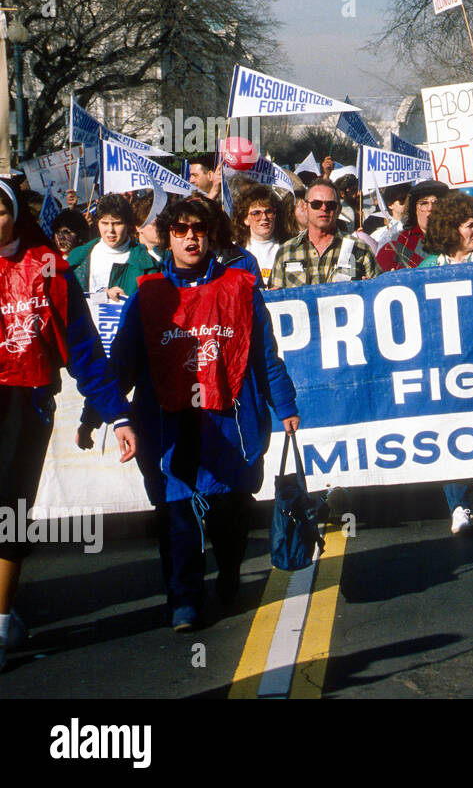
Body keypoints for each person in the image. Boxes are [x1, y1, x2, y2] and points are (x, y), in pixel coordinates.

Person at [100, 195, 299, 630]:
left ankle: (228, 569)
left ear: (212, 235)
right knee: (176, 510)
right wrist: (104, 412)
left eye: (200, 229)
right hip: (169, 421)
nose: (191, 237)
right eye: (181, 229)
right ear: (168, 235)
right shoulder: (149, 291)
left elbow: (265, 355)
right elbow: (124, 360)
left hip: (229, 419)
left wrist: (283, 403)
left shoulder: (241, 287)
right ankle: (184, 597)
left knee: (230, 509)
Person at [1, 178, 137, 670]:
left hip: (24, 402)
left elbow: (83, 350)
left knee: (8, 509)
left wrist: (116, 413)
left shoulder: (50, 270)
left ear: (14, 214)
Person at [418, 192, 473, 533]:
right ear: (451, 229)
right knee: (453, 430)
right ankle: (458, 504)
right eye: (469, 226)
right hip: (445, 365)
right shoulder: (427, 269)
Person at [269, 179, 379, 288]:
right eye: (316, 204)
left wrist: (371, 288)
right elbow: (275, 299)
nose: (324, 208)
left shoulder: (359, 248)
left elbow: (379, 292)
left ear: (338, 209)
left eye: (331, 205)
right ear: (305, 207)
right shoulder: (286, 251)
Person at [66, 193, 160, 301]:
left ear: (128, 224)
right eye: (104, 223)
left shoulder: (148, 265)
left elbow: (153, 307)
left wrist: (130, 301)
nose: (110, 230)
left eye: (117, 223)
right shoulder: (77, 257)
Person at [376, 179, 451, 271]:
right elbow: (377, 280)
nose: (430, 208)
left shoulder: (460, 239)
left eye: (436, 203)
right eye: (424, 203)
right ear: (414, 209)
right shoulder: (395, 246)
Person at [233, 184, 292, 283]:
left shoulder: (289, 248)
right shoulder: (235, 252)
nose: (264, 217)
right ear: (245, 219)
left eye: (269, 211)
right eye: (256, 213)